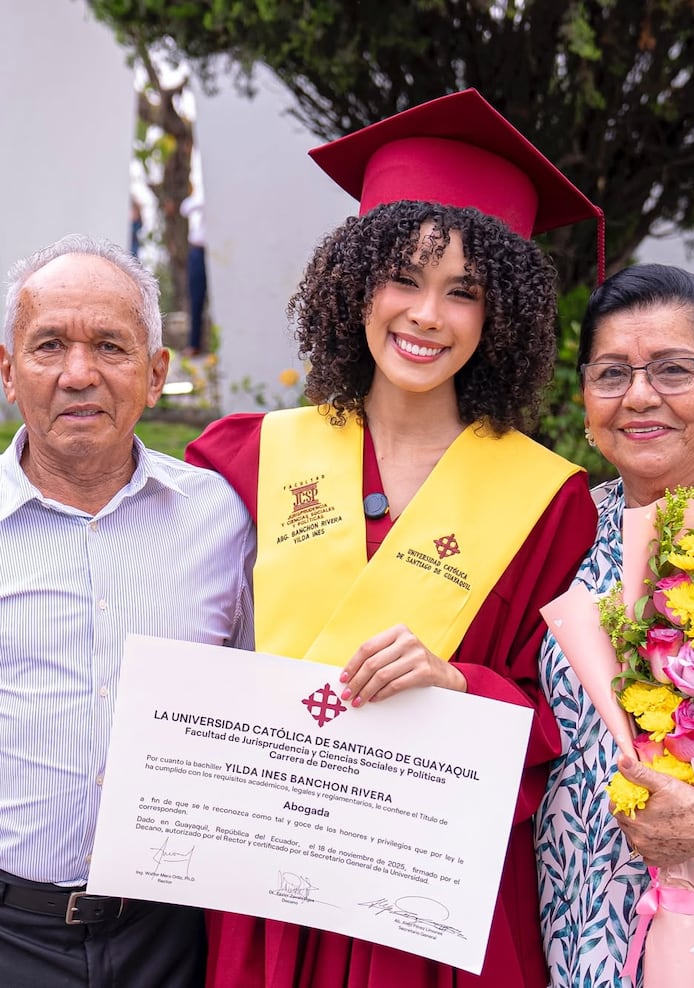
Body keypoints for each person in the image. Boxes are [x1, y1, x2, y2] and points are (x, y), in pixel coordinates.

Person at [185, 88, 602, 987]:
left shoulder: (549, 503)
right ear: (356, 282)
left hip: (435, 897)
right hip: (273, 882)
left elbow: (568, 717)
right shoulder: (248, 459)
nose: (426, 316)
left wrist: (458, 682)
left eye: (464, 292)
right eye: (404, 278)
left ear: (501, 317)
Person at [0, 234, 256, 987]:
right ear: (9, 373)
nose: (79, 374)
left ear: (154, 375)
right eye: (49, 345)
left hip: (171, 932)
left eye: (110, 346)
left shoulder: (224, 519)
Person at [535, 262, 694, 988]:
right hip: (579, 933)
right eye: (612, 373)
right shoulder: (562, 534)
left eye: (673, 369)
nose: (640, 395)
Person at [180, 187, 208, 355]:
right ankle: (194, 344)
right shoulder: (204, 194)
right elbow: (185, 208)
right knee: (196, 299)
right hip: (199, 250)